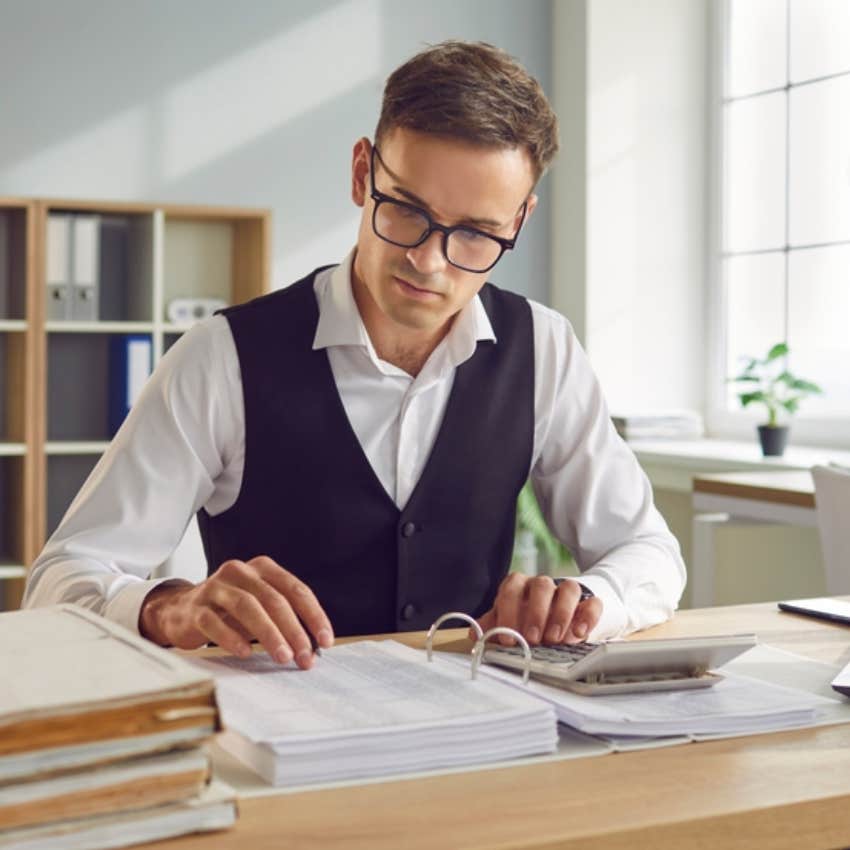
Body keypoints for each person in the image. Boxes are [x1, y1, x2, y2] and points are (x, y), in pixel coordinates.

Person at [24, 41, 685, 671]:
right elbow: (58, 585)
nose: (428, 262)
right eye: (405, 211)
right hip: (279, 747)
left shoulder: (542, 348)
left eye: (477, 235)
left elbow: (648, 552)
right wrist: (167, 608)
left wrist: (588, 605)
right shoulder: (222, 357)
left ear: (517, 222)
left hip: (479, 738)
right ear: (362, 172)